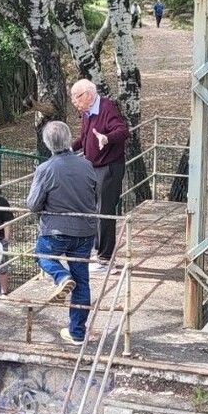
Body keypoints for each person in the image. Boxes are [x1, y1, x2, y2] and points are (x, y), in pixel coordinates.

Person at [27, 120, 98, 345]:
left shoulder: (45, 169)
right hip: (85, 230)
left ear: (47, 143)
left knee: (42, 255)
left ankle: (60, 276)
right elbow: (94, 194)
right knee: (82, 280)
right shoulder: (87, 165)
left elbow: (33, 204)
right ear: (68, 140)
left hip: (55, 230)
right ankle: (77, 333)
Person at [70, 79, 130, 272]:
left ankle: (105, 260)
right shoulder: (87, 113)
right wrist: (69, 147)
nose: (74, 102)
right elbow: (86, 138)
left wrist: (107, 138)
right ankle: (100, 255)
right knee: (96, 211)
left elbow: (122, 131)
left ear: (88, 94)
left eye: (76, 97)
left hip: (109, 167)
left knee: (104, 212)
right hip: (94, 167)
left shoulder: (107, 108)